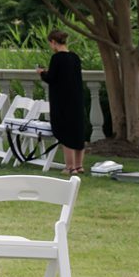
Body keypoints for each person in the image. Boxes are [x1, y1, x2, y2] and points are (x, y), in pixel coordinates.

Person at [40, 29, 89, 176]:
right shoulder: (74, 57)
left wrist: (42, 73)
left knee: (65, 133)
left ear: (54, 42)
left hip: (62, 100)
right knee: (78, 131)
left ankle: (69, 166)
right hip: (76, 98)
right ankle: (79, 165)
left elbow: (51, 78)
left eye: (50, 43)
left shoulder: (57, 58)